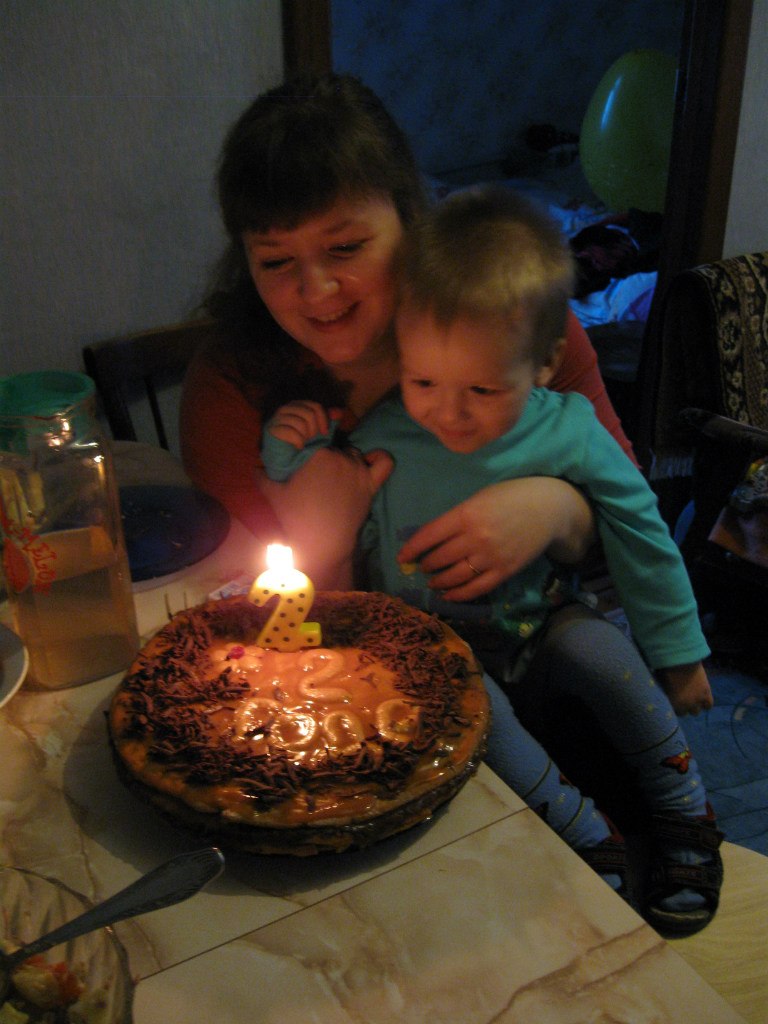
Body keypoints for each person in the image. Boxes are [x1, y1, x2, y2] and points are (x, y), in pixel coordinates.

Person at [262, 186, 723, 937]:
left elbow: (641, 529)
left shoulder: (568, 429)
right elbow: (324, 508)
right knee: (475, 712)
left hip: (545, 624)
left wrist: (679, 653)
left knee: (601, 651)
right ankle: (584, 831)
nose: (447, 411)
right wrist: (288, 452)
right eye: (423, 381)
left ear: (544, 364)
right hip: (439, 654)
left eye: (482, 388)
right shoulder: (383, 433)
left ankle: (684, 808)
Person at [180, 72, 636, 595]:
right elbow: (255, 620)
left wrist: (558, 511)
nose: (316, 290)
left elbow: (633, 527)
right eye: (276, 261)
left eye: (345, 248)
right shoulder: (229, 389)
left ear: (410, 221)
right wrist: (324, 547)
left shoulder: (512, 322)